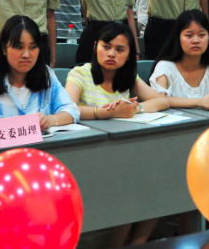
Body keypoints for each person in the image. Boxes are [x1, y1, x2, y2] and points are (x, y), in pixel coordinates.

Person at [65, 23, 169, 247]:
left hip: (123, 154)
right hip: (88, 154)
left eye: (120, 49)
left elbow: (161, 101)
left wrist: (135, 109)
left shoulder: (128, 76)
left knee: (161, 181)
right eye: (106, 47)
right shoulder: (81, 73)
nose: (111, 54)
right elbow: (67, 110)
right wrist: (105, 112)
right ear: (95, 47)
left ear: (129, 54)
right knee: (129, 184)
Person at [0, 16, 78, 187]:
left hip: (32, 173)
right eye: (19, 47)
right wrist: (9, 127)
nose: (26, 54)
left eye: (33, 47)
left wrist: (49, 120)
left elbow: (71, 110)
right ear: (4, 48)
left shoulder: (46, 76)